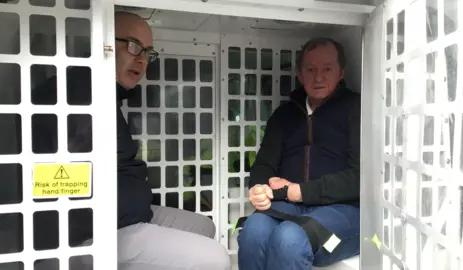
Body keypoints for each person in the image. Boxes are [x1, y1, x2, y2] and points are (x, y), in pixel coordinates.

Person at [33, 11, 231, 270]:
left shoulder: (102, 91)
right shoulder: (76, 94)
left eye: (147, 52)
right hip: (94, 233)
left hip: (127, 217)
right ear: (101, 42)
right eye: (133, 46)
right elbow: (66, 185)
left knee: (204, 226)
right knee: (217, 258)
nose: (142, 60)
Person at [237, 37, 361, 270]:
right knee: (252, 231)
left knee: (290, 239)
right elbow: (264, 165)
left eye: (327, 69)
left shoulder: (356, 109)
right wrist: (259, 188)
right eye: (310, 69)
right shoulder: (284, 114)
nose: (319, 77)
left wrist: (297, 191)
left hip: (344, 215)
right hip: (288, 206)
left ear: (341, 72)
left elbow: (360, 178)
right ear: (299, 74)